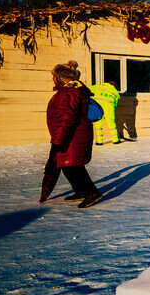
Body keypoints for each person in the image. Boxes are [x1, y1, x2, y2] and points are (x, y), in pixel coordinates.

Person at [39, 61, 104, 208]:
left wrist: (59, 138)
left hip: (73, 136)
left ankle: (92, 193)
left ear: (60, 78)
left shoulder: (70, 93)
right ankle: (80, 191)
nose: (53, 79)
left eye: (54, 76)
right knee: (67, 164)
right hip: (70, 135)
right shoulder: (67, 92)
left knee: (73, 165)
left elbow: (68, 118)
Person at [89, 80, 121, 145]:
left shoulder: (99, 87)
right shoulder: (115, 91)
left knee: (98, 124)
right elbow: (115, 103)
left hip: (98, 108)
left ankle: (99, 142)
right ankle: (115, 140)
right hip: (109, 108)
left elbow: (87, 89)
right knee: (111, 123)